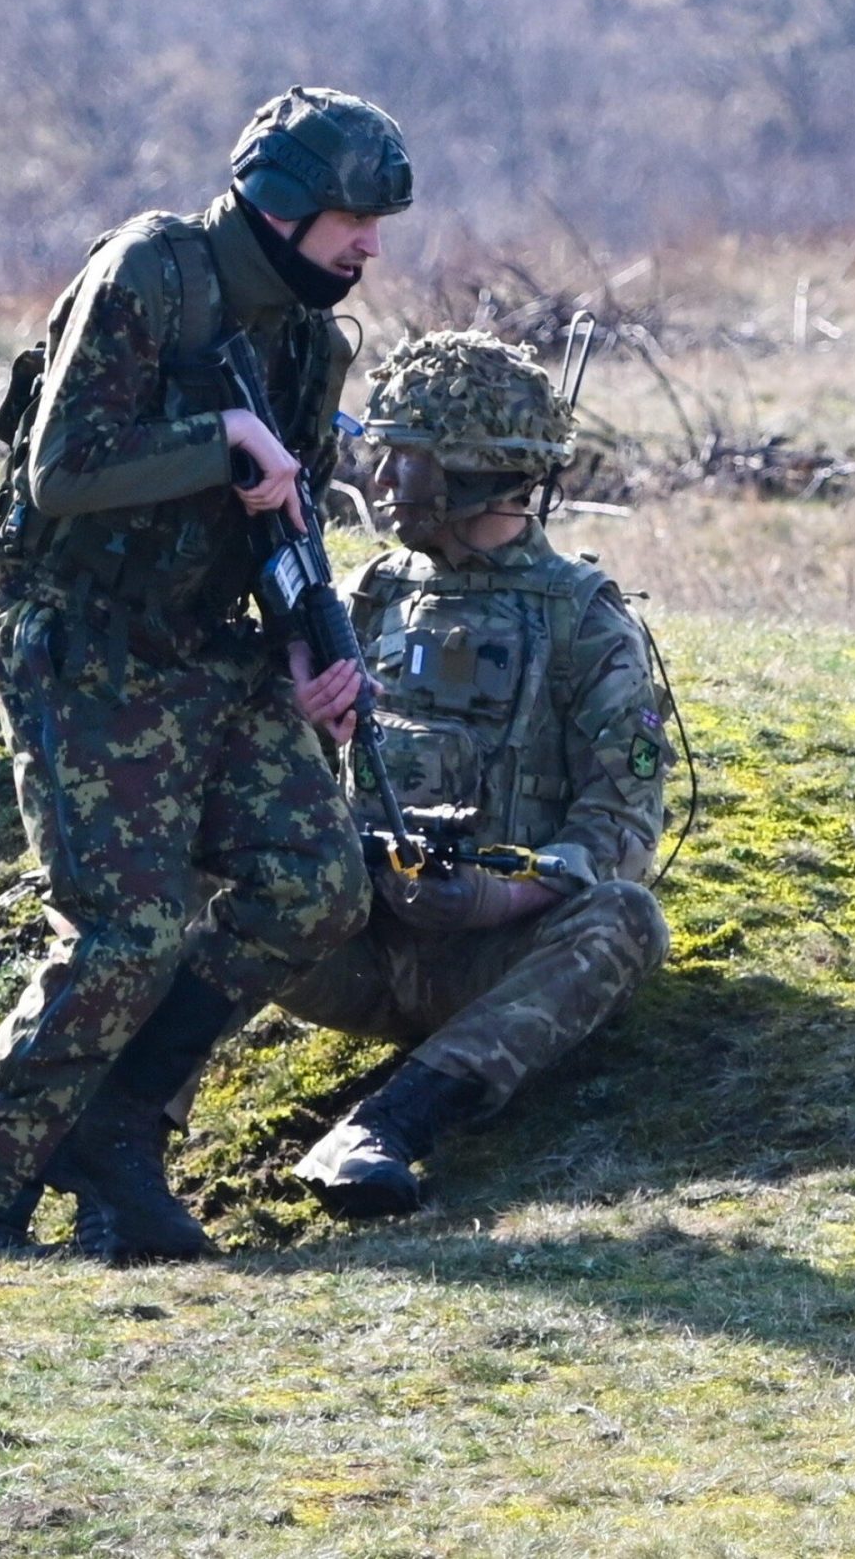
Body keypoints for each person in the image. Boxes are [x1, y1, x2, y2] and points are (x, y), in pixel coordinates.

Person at [0, 86, 415, 1261]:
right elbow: (61, 470)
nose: (369, 245)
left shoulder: (311, 338)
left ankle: (120, 1129)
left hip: (214, 642)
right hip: (84, 638)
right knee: (128, 926)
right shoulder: (152, 272)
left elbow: (277, 514)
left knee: (316, 883)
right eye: (353, 216)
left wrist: (311, 640)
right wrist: (216, 442)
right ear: (283, 204)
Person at [269, 329, 673, 1215]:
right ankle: (126, 1132)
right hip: (359, 943)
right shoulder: (375, 593)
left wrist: (504, 897)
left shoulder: (585, 624)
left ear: (470, 473)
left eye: (402, 462)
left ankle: (387, 1128)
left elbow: (622, 827)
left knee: (627, 922)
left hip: (493, 960)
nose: (379, 485)